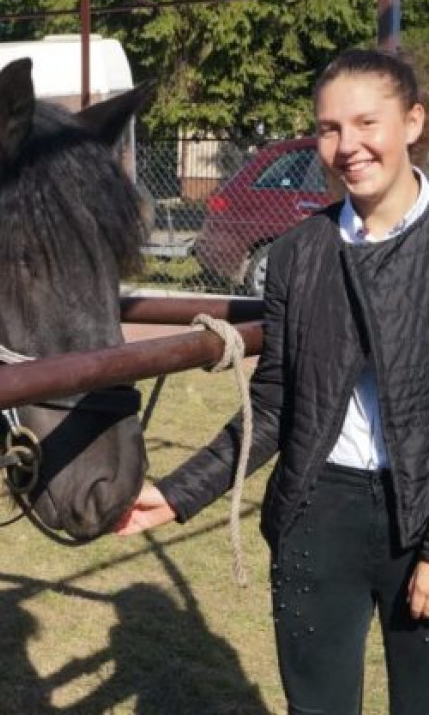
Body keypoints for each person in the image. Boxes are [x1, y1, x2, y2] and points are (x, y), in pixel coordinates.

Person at [114, 48, 429, 715]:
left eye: (367, 122)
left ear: (412, 122)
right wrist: (177, 493)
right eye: (328, 128)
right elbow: (275, 400)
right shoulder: (296, 255)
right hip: (319, 512)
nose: (348, 146)